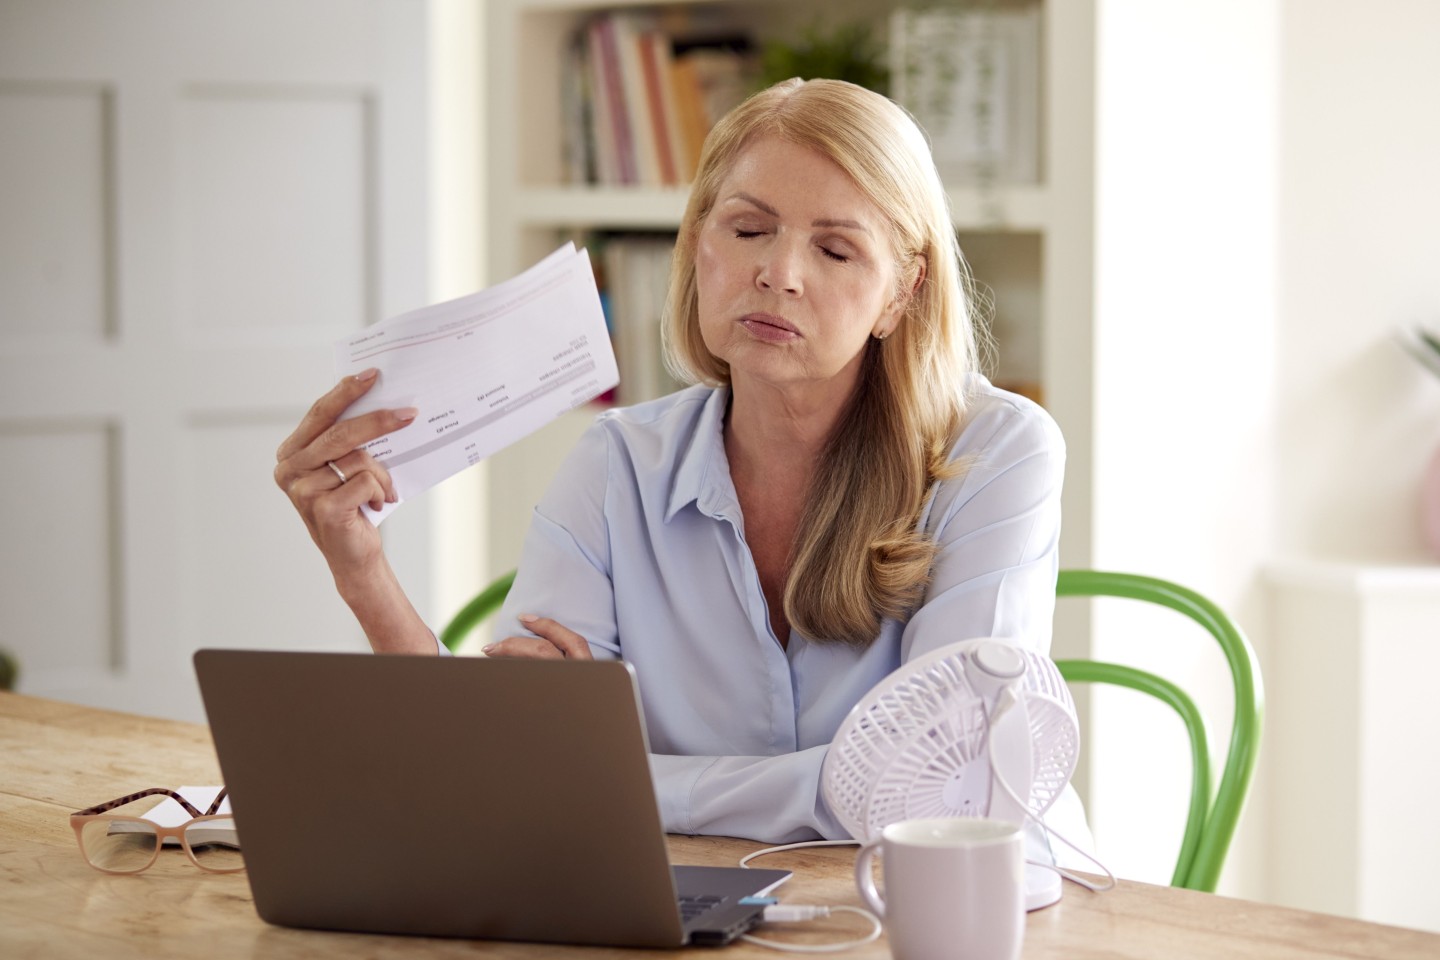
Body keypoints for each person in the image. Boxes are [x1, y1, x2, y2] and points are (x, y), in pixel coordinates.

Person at [275, 78, 1087, 853]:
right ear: (698, 243)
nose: (780, 273)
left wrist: (622, 778)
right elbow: (507, 765)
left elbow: (940, 792)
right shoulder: (615, 463)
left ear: (901, 294)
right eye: (747, 230)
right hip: (693, 908)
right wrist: (362, 574)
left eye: (836, 250)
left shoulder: (999, 453)